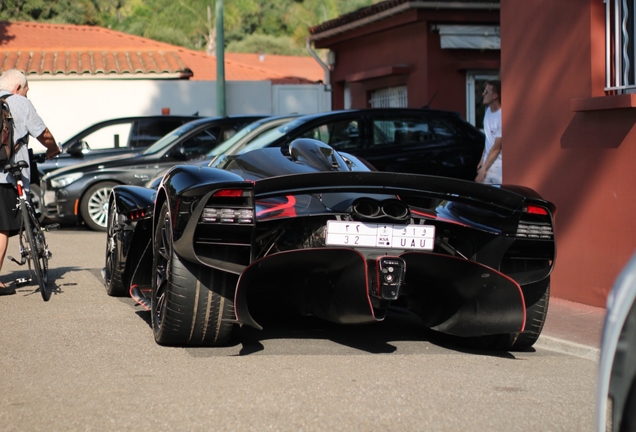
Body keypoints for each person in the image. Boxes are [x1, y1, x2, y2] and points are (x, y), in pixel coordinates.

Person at [0, 69, 60, 295]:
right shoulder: (20, 103)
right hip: (8, 175)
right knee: (2, 227)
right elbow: (43, 134)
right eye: (26, 90)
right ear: (17, 88)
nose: (26, 94)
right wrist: (53, 149)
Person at [475, 80, 502, 184]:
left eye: (486, 92)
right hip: (487, 164)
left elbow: (496, 148)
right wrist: (482, 158)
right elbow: (488, 138)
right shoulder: (487, 111)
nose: (483, 94)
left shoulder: (501, 117)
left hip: (498, 169)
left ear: (495, 96)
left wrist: (484, 169)